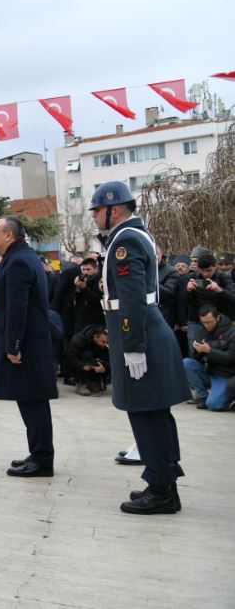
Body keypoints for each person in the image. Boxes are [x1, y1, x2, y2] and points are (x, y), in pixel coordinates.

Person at [90, 180, 189, 514]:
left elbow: (131, 297)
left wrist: (132, 345)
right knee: (154, 413)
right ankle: (161, 480)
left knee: (146, 413)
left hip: (138, 334)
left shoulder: (125, 240)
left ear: (113, 210)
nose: (93, 217)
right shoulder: (135, 234)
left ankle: (162, 490)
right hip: (145, 331)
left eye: (96, 211)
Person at [0, 216, 58, 478]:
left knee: (32, 401)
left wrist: (13, 345)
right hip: (32, 341)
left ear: (8, 235)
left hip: (27, 343)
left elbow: (18, 308)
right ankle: (39, 453)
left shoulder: (18, 261)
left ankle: (42, 459)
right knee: (31, 400)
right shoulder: (24, 257)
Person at [182, 305, 234, 411]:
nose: (207, 325)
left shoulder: (231, 332)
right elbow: (194, 357)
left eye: (210, 322)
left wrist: (209, 350)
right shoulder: (201, 332)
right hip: (209, 371)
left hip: (225, 375)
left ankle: (230, 394)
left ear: (218, 318)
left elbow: (230, 359)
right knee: (186, 363)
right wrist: (197, 350)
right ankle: (203, 396)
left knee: (214, 405)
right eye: (204, 322)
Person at [65, 325, 110, 396]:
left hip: (92, 364)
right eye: (103, 342)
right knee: (87, 354)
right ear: (95, 337)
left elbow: (108, 360)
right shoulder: (79, 339)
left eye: (106, 342)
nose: (105, 344)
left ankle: (92, 382)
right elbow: (71, 358)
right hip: (78, 364)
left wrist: (104, 368)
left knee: (99, 358)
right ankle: (81, 384)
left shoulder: (103, 344)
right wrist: (82, 366)